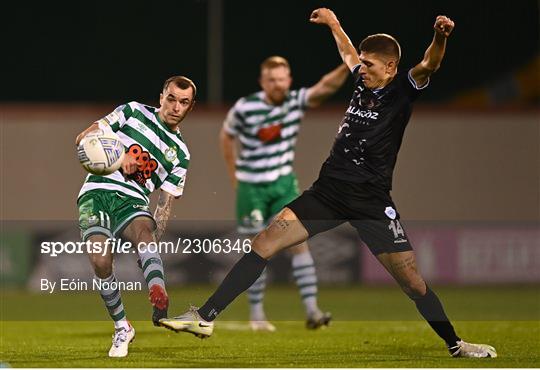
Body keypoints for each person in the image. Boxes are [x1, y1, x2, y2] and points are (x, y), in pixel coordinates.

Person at [160, 9, 497, 359]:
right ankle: (204, 316)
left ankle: (456, 345)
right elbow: (348, 53)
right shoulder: (361, 80)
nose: (361, 68)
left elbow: (430, 64)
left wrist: (441, 36)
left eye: (369, 65)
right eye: (362, 63)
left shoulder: (402, 90)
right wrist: (335, 24)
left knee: (412, 282)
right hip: (328, 192)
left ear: (391, 68)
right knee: (265, 241)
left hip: (370, 201)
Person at [220, 56, 349, 331]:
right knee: (256, 247)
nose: (277, 85)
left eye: (281, 79)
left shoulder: (294, 101)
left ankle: (313, 311)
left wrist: (349, 65)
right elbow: (226, 136)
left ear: (288, 80)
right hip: (252, 188)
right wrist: (235, 176)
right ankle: (256, 316)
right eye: (271, 80)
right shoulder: (245, 107)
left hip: (283, 185)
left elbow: (325, 87)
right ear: (262, 82)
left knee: (299, 243)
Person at [75, 76, 196, 357]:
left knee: (145, 231)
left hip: (133, 202)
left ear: (191, 107)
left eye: (184, 102)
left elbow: (164, 205)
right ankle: (122, 327)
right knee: (100, 261)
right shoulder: (131, 112)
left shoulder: (181, 154)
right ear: (162, 97)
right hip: (96, 194)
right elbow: (83, 138)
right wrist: (118, 158)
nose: (176, 107)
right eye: (172, 99)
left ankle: (159, 294)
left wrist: (149, 255)